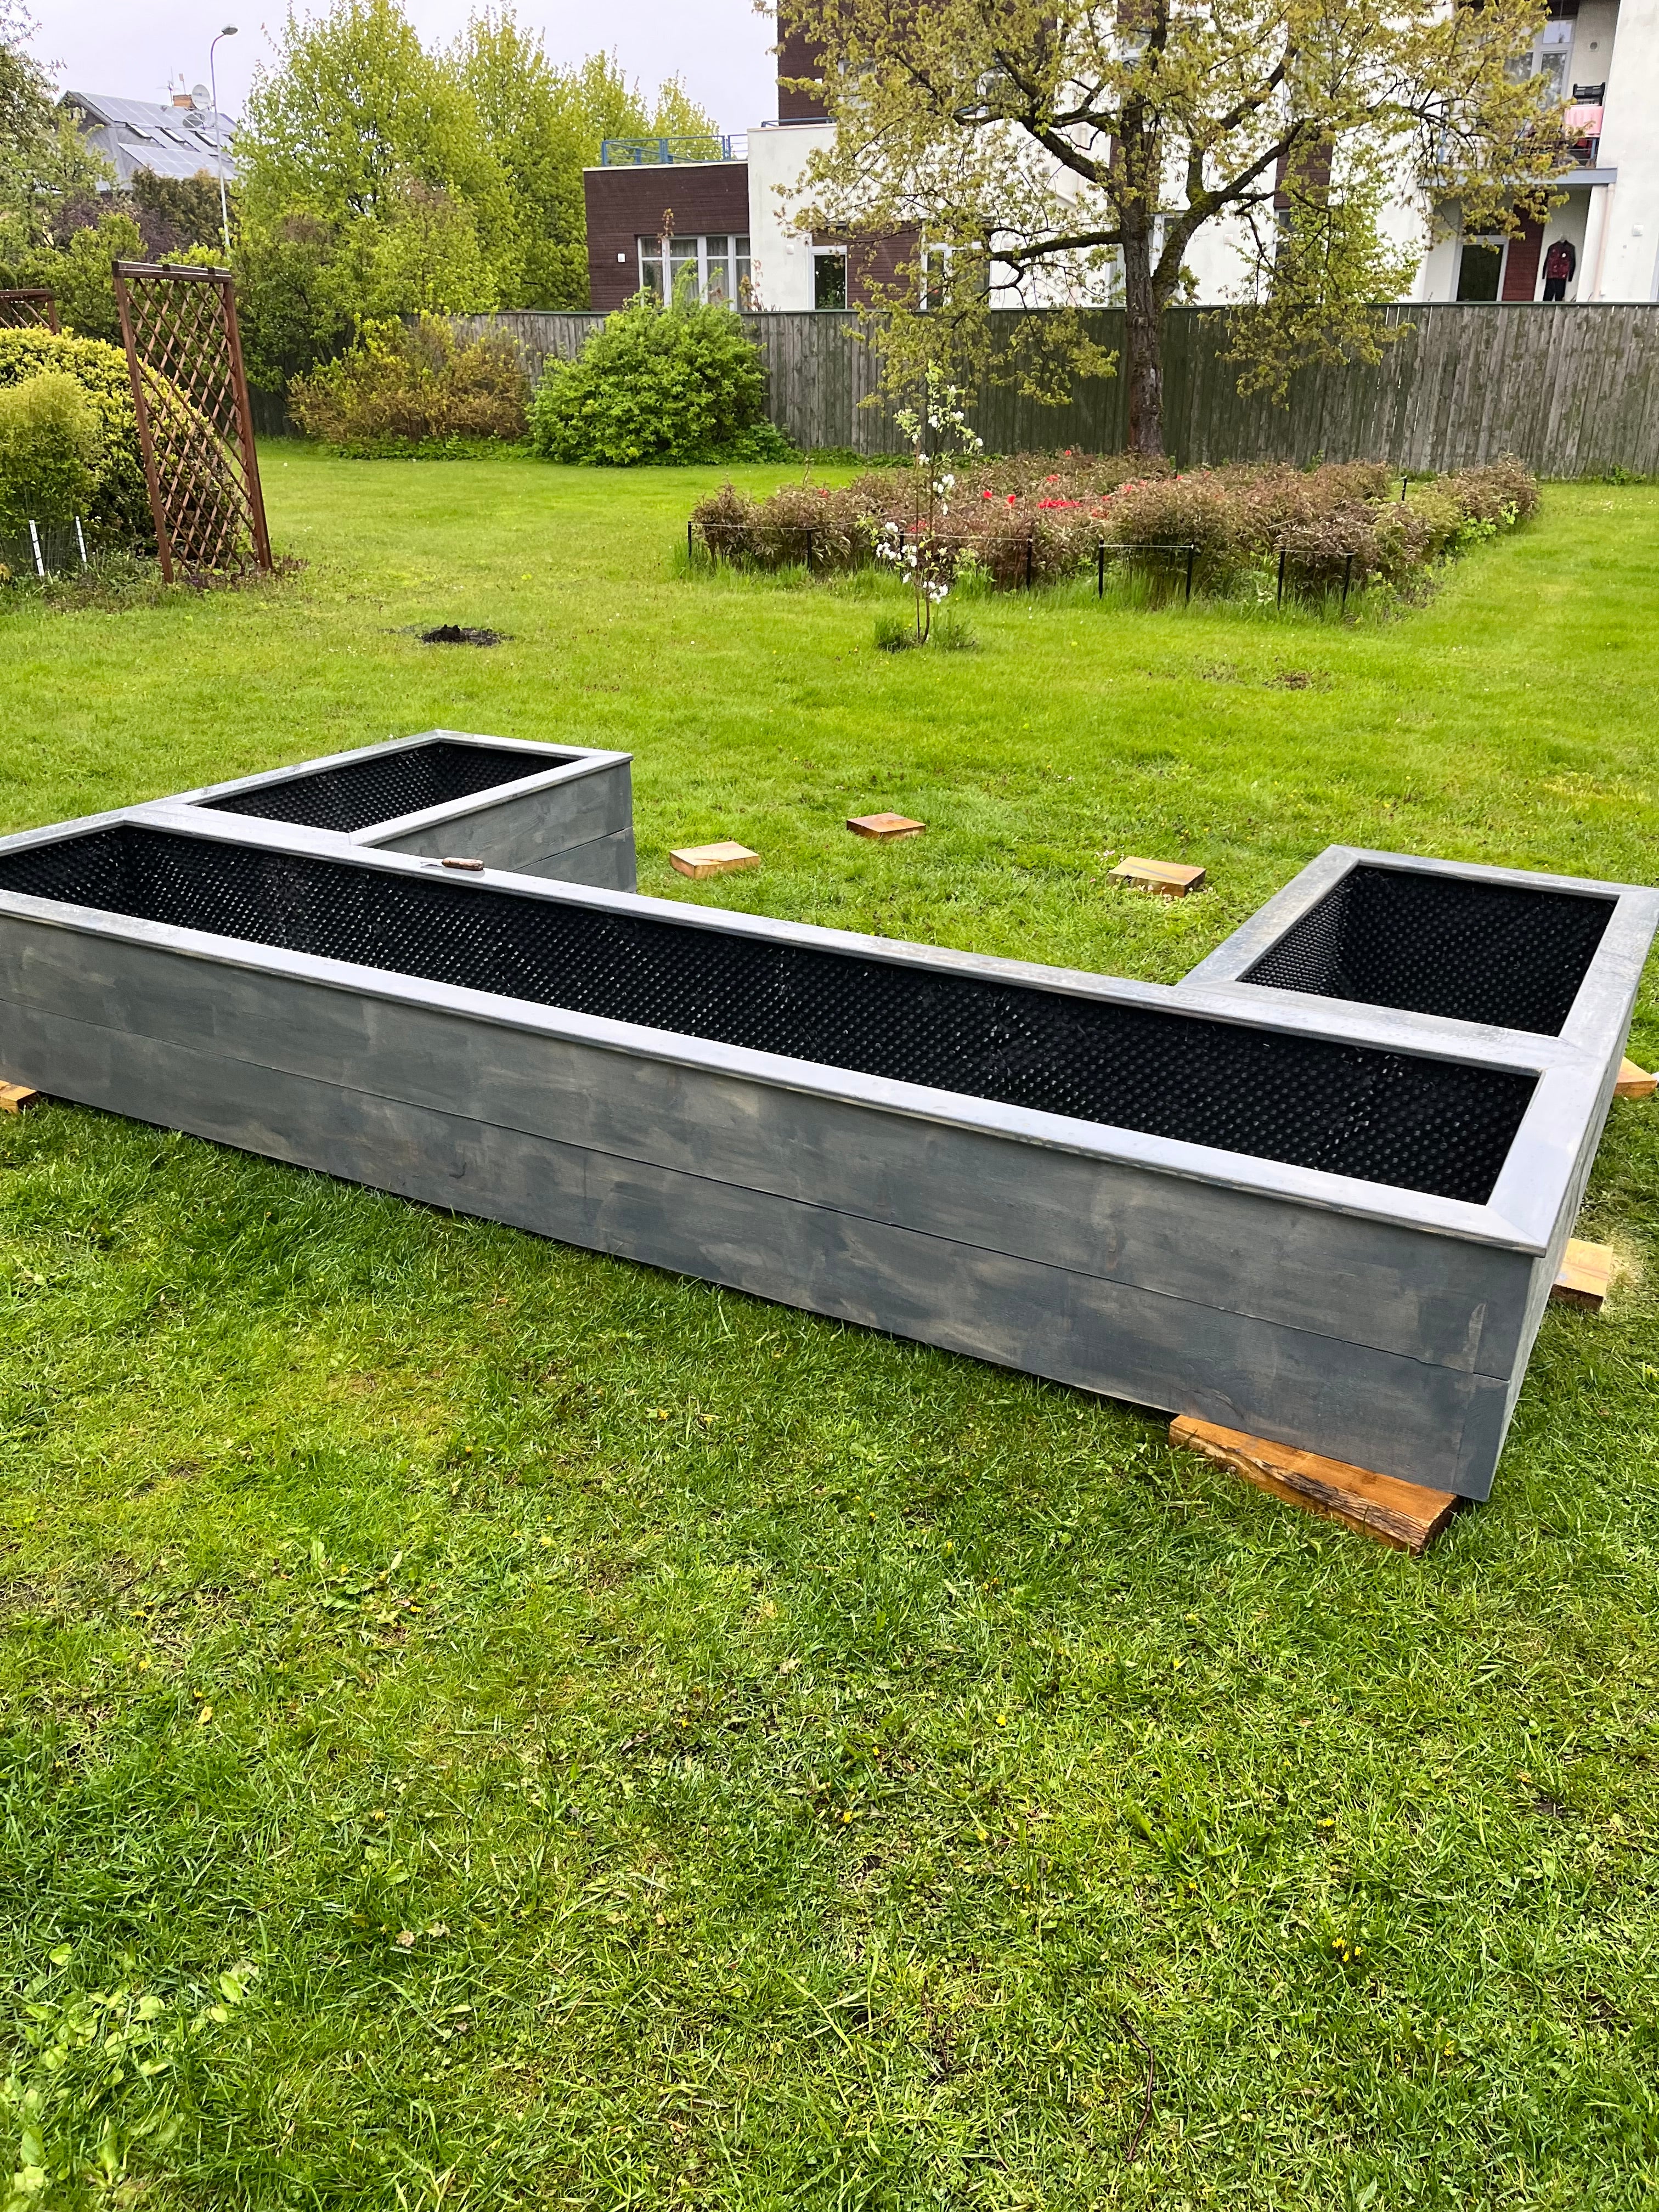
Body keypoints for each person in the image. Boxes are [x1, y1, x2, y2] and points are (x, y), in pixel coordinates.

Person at [1542, 237, 1576, 302]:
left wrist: (1570, 277)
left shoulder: (1570, 248)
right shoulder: (1552, 247)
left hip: (1562, 277)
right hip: (1551, 276)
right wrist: (1544, 275)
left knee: (1559, 298)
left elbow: (1573, 262)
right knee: (1548, 298)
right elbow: (1547, 261)